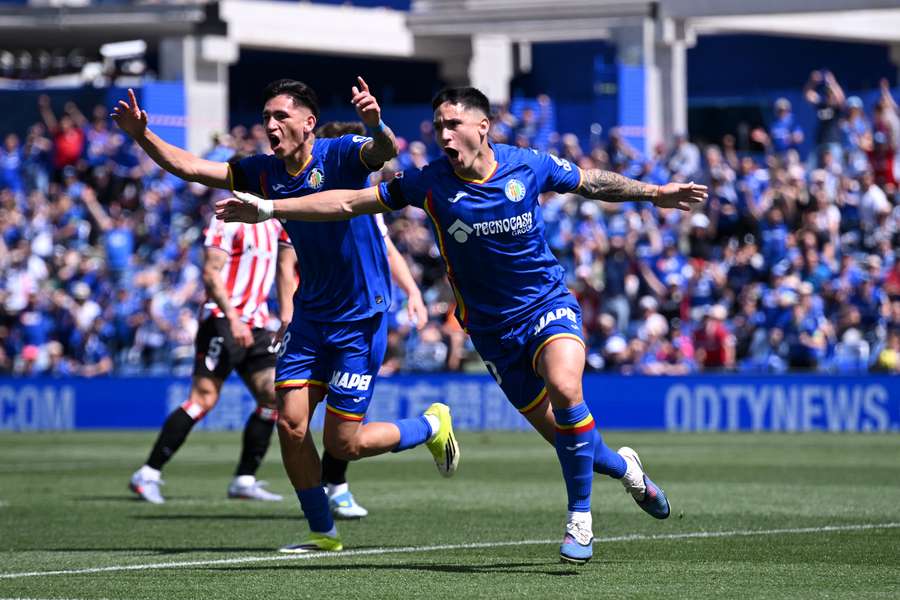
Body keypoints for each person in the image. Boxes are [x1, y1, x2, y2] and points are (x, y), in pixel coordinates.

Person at [217, 86, 708, 564]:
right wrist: (269, 208)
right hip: (491, 332)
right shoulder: (427, 182)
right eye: (438, 127)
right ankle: (627, 469)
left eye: (453, 124)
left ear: (483, 126)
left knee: (565, 387)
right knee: (570, 439)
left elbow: (591, 181)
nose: (444, 135)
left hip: (546, 305)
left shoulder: (527, 165)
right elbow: (347, 203)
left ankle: (579, 518)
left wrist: (655, 192)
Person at [113, 77, 453, 553]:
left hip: (359, 319)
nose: (270, 125)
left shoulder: (339, 154)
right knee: (290, 424)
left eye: (280, 116)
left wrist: (376, 125)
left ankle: (431, 426)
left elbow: (383, 151)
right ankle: (322, 532)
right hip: (310, 318)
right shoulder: (263, 171)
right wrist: (142, 135)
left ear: (309, 122)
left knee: (344, 445)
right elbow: (190, 167)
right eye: (266, 117)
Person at [129, 208, 296, 505]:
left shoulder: (275, 221)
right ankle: (148, 474)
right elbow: (210, 272)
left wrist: (286, 318)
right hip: (222, 319)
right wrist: (232, 318)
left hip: (257, 323)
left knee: (273, 396)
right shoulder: (226, 217)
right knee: (203, 399)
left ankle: (244, 480)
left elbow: (286, 267)